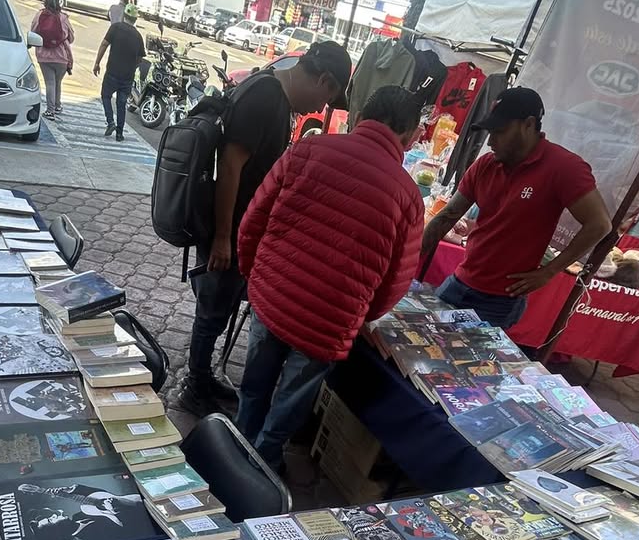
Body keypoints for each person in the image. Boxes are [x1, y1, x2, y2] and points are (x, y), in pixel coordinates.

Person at [234, 85, 424, 468]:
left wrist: (254, 275)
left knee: (255, 384)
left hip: (273, 295)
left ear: (360, 116)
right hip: (328, 322)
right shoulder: (408, 197)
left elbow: (253, 220)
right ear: (409, 134)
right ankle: (264, 463)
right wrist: (358, 315)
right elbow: (394, 283)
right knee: (290, 400)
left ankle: (234, 448)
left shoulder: (306, 150)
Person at [178, 39, 353, 416]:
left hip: (237, 226)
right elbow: (230, 166)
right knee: (212, 311)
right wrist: (225, 236)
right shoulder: (266, 97)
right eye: (327, 99)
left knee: (219, 308)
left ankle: (202, 377)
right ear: (323, 79)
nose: (321, 109)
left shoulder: (271, 91)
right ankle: (194, 387)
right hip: (227, 226)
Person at [420, 87, 611, 329]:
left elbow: (600, 224)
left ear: (529, 125)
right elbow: (448, 215)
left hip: (500, 300)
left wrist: (550, 271)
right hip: (459, 282)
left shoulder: (563, 167)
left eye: (499, 132)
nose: (491, 142)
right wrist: (411, 258)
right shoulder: (485, 165)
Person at [93, 4, 145, 141]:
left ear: (124, 16)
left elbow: (104, 44)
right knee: (121, 104)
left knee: (105, 96)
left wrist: (97, 63)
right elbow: (140, 59)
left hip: (112, 72)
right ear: (135, 19)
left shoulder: (115, 28)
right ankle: (120, 133)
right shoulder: (138, 36)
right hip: (127, 76)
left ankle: (110, 122)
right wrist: (132, 66)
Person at [31, 0, 74, 122]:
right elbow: (71, 38)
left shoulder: (39, 15)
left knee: (50, 82)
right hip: (61, 57)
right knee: (57, 81)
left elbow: (33, 32)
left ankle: (50, 111)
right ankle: (57, 106)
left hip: (43, 55)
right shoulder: (63, 18)